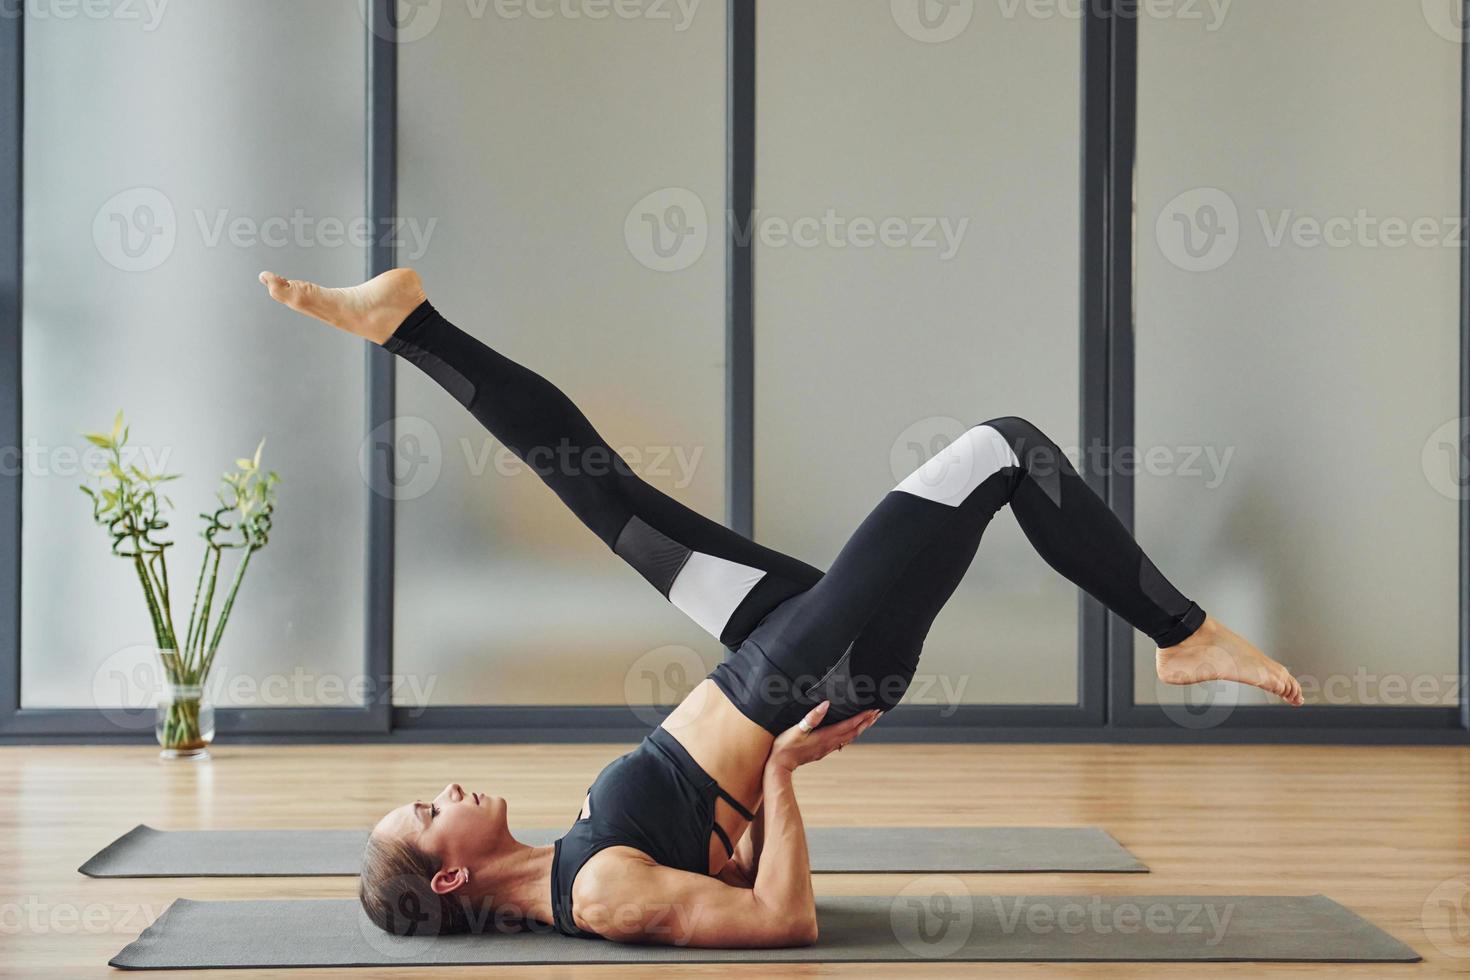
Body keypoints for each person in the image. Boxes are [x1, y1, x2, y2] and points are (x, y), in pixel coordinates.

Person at [259, 268, 1303, 948]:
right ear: (449, 872)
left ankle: (412, 326)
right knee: (1004, 444)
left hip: (771, 653)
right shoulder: (599, 891)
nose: (444, 788)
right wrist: (786, 773)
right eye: (430, 809)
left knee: (609, 495)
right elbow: (784, 917)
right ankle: (1181, 632)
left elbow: (732, 853)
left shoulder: (573, 853)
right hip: (803, 670)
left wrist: (753, 803)